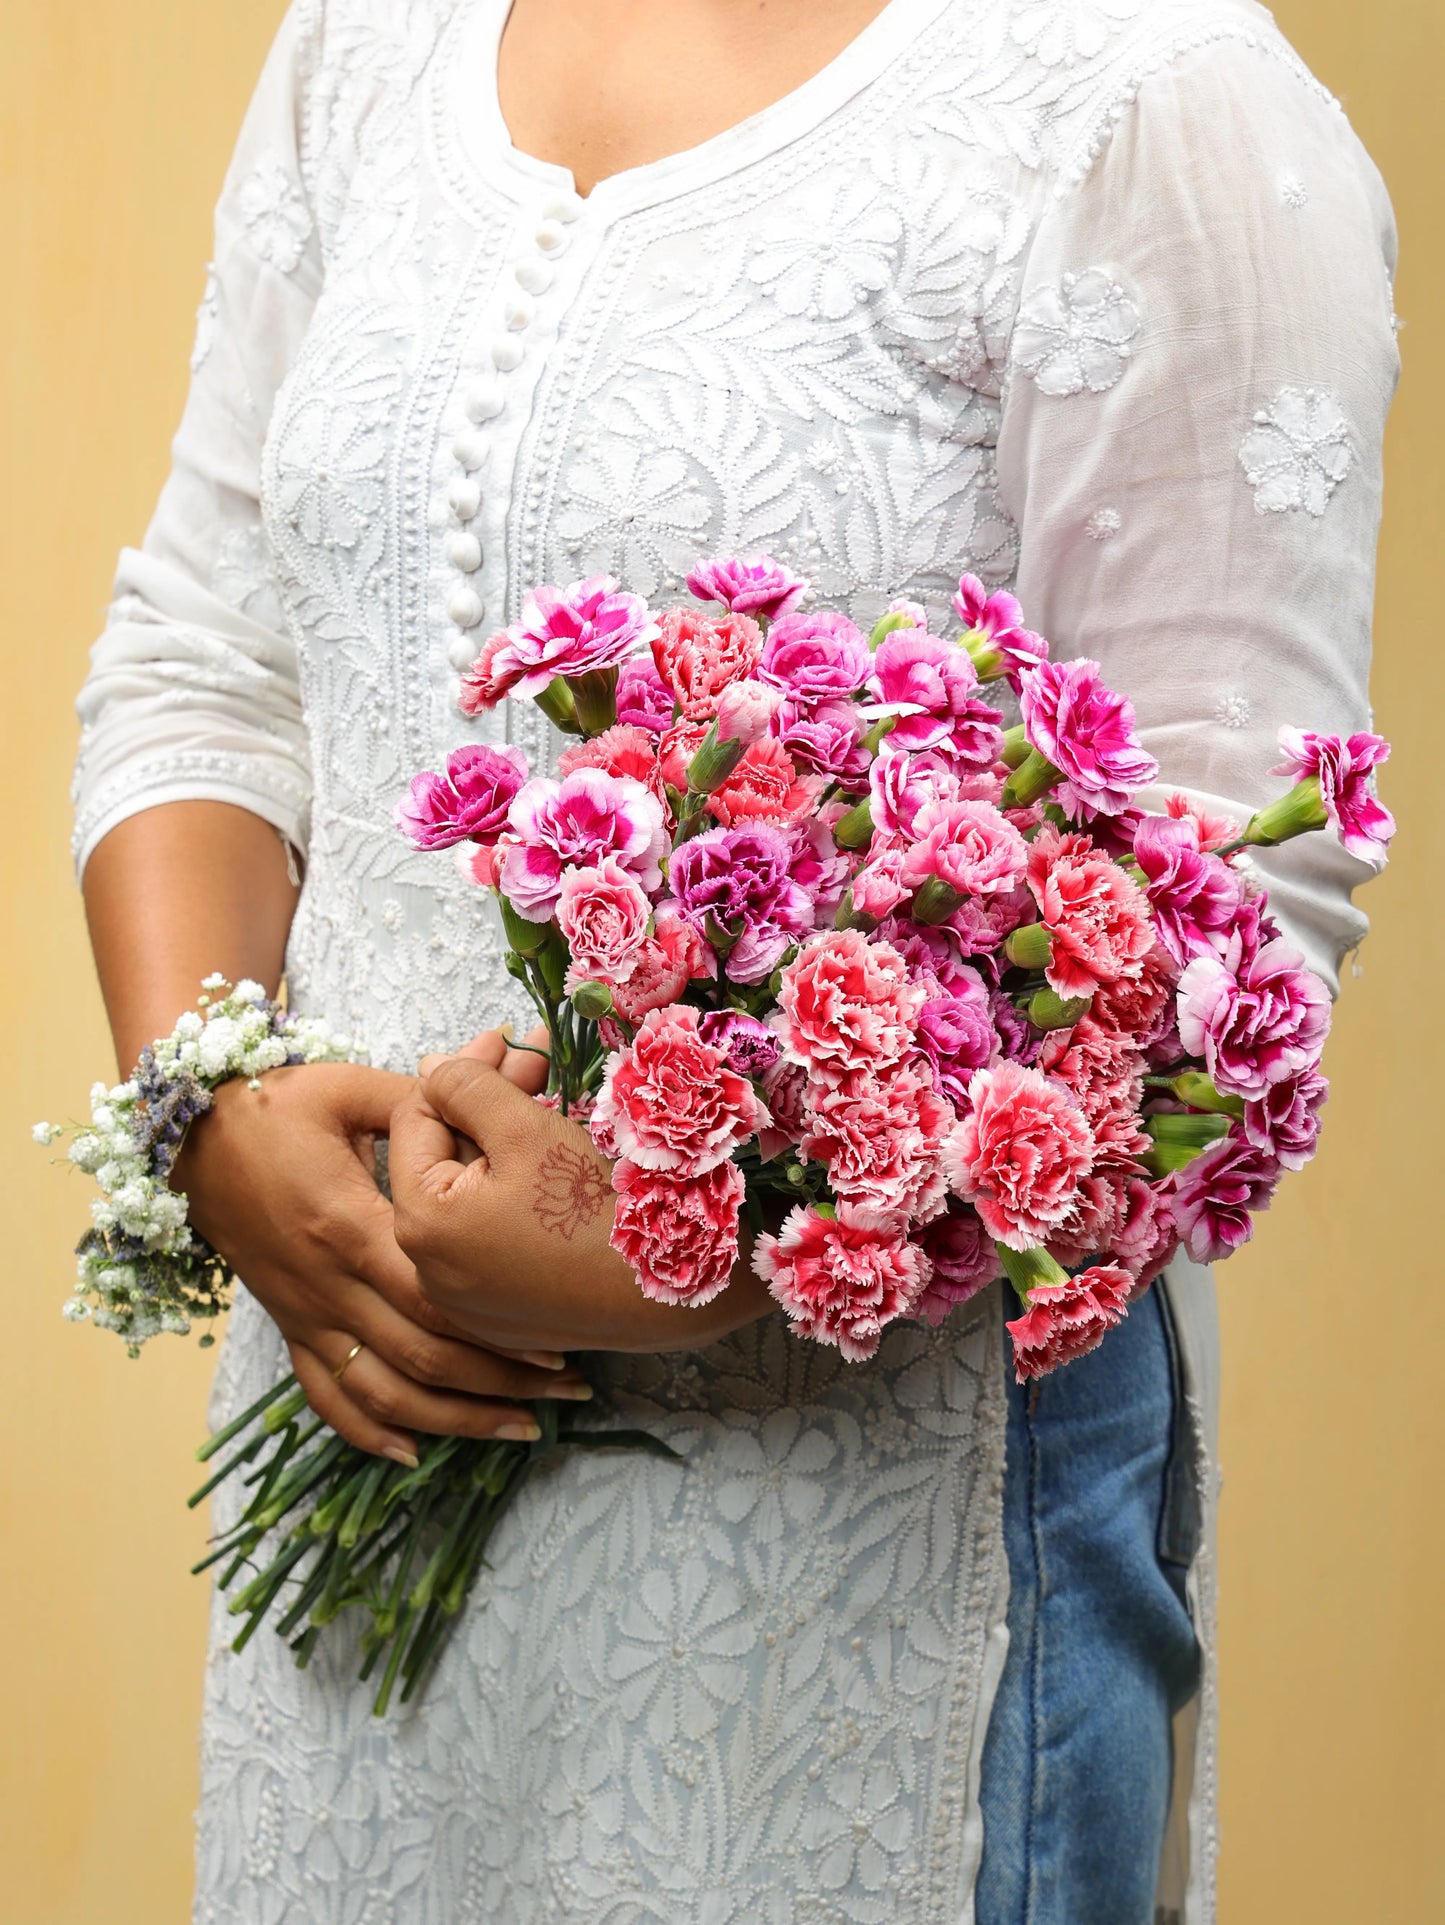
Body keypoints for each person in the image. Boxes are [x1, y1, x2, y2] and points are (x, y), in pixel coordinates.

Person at [73, 0, 1398, 1918]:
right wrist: (212, 1103)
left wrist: (685, 1244)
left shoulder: (1149, 98)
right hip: (364, 1430)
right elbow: (209, 657)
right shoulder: (367, 41)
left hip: (860, 1519)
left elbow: (1221, 915)